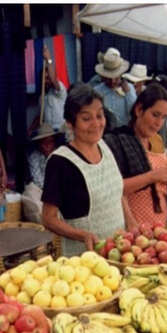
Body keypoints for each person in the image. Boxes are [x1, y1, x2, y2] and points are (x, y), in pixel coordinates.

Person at [41, 82, 136, 255]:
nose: (96, 124)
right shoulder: (60, 162)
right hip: (83, 261)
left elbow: (117, 192)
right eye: (86, 118)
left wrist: (131, 223)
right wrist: (81, 235)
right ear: (70, 123)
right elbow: (48, 218)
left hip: (118, 253)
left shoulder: (105, 146)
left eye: (99, 116)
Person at [105, 83, 167, 229]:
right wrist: (151, 177)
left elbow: (160, 177)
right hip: (131, 229)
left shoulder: (157, 141)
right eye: (155, 115)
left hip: (160, 228)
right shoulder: (118, 141)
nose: (159, 123)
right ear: (139, 110)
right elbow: (113, 188)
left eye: (163, 117)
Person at [92, 48, 137, 127]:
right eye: (109, 78)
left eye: (115, 77)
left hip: (124, 133)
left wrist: (128, 93)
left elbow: (135, 112)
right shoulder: (97, 91)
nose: (112, 81)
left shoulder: (129, 89)